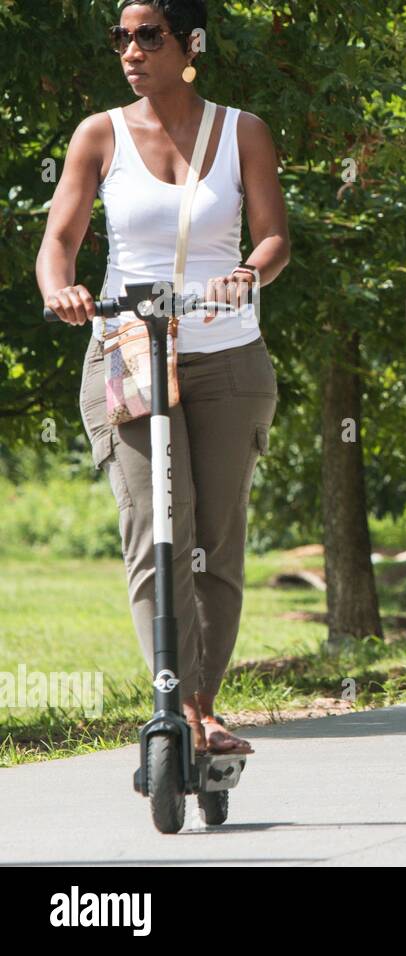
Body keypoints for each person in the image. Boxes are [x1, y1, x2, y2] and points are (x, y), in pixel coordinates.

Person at [36, 0, 290, 754]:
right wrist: (62, 288)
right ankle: (172, 701)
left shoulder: (242, 131)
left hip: (228, 352)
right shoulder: (98, 135)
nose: (132, 51)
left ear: (191, 43)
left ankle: (206, 703)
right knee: (157, 527)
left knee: (217, 534)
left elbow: (275, 235)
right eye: (122, 37)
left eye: (149, 36)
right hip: (129, 347)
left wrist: (247, 273)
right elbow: (60, 238)